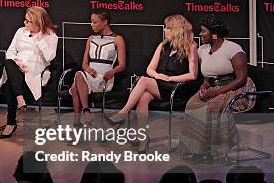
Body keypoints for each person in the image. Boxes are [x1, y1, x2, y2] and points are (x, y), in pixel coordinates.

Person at [107, 14, 198, 152]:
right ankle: (143, 140)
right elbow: (149, 69)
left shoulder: (191, 47)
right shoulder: (163, 46)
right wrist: (158, 75)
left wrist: (170, 79)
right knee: (143, 98)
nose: (165, 31)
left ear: (176, 29)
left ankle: (123, 114)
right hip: (159, 85)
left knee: (143, 80)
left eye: (167, 28)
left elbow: (193, 75)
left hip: (176, 88)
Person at [178, 14, 251, 162]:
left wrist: (217, 92)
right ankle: (196, 149)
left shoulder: (233, 49)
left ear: (214, 34)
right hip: (214, 87)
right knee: (192, 104)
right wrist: (204, 87)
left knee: (211, 106)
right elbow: (208, 77)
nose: (200, 34)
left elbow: (241, 78)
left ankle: (213, 151)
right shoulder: (203, 50)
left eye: (203, 31)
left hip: (236, 87)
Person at [0, 6, 59, 138]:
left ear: (38, 22)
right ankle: (19, 97)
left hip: (35, 71)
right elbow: (11, 52)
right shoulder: (20, 31)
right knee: (9, 62)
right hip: (16, 68)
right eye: (25, 20)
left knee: (9, 85)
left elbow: (49, 57)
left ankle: (11, 122)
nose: (24, 23)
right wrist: (18, 62)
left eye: (28, 21)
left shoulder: (51, 36)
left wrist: (38, 38)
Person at [70, 8, 125, 126]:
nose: (91, 25)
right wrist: (89, 70)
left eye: (95, 22)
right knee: (78, 77)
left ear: (105, 22)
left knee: (76, 84)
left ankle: (78, 122)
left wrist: (113, 71)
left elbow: (122, 65)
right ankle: (85, 112)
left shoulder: (117, 39)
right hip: (88, 75)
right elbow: (84, 63)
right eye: (91, 22)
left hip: (104, 78)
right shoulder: (91, 39)